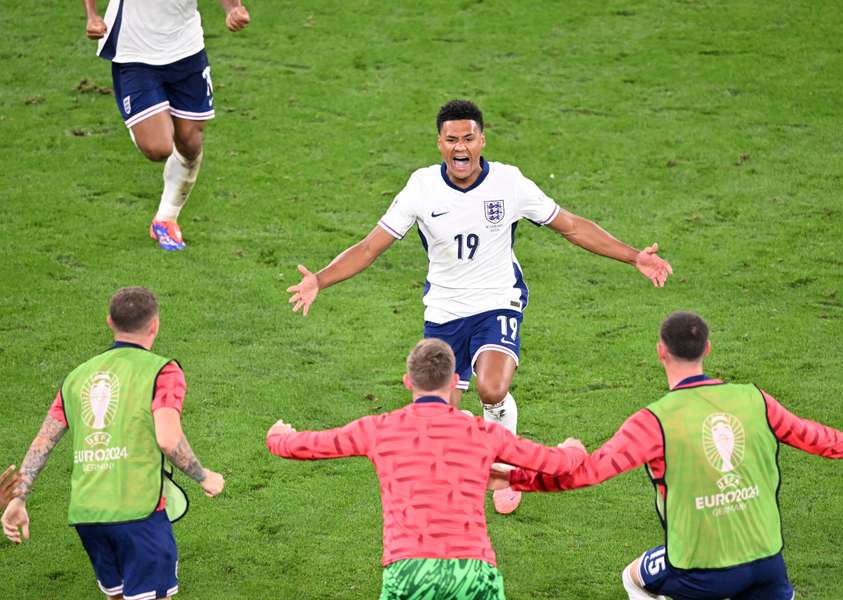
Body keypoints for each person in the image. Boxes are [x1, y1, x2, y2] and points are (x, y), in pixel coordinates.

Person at [287, 98, 673, 514]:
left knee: (492, 388)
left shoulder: (509, 184)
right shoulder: (420, 188)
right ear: (439, 144)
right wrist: (320, 279)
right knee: (440, 417)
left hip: (497, 300)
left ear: (482, 140)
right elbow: (369, 247)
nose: (460, 147)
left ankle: (504, 464)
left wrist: (634, 256)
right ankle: (461, 475)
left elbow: (572, 226)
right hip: (444, 311)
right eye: (451, 139)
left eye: (468, 138)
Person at [490, 311, 843, 600]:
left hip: (701, 570)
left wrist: (512, 477)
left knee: (633, 578)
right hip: (767, 563)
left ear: (661, 352)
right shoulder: (754, 399)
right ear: (707, 349)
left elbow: (586, 473)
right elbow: (808, 434)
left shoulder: (652, 423)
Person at [266, 338, 588, 600]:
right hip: (471, 572)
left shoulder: (378, 429)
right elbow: (555, 464)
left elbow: (309, 446)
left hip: (408, 572)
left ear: (408, 381)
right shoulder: (484, 433)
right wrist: (572, 449)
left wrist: (279, 437)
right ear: (454, 382)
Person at [2, 287, 225, 600]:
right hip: (139, 514)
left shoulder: (77, 377)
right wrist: (205, 476)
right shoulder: (163, 371)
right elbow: (168, 438)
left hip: (88, 514)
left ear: (110, 322)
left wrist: (18, 499)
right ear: (155, 325)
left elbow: (43, 442)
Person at [83, 0, 251, 251]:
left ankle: (166, 218)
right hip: (135, 51)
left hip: (186, 50)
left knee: (190, 142)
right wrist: (92, 15)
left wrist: (233, 8)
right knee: (158, 147)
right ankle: (142, 122)